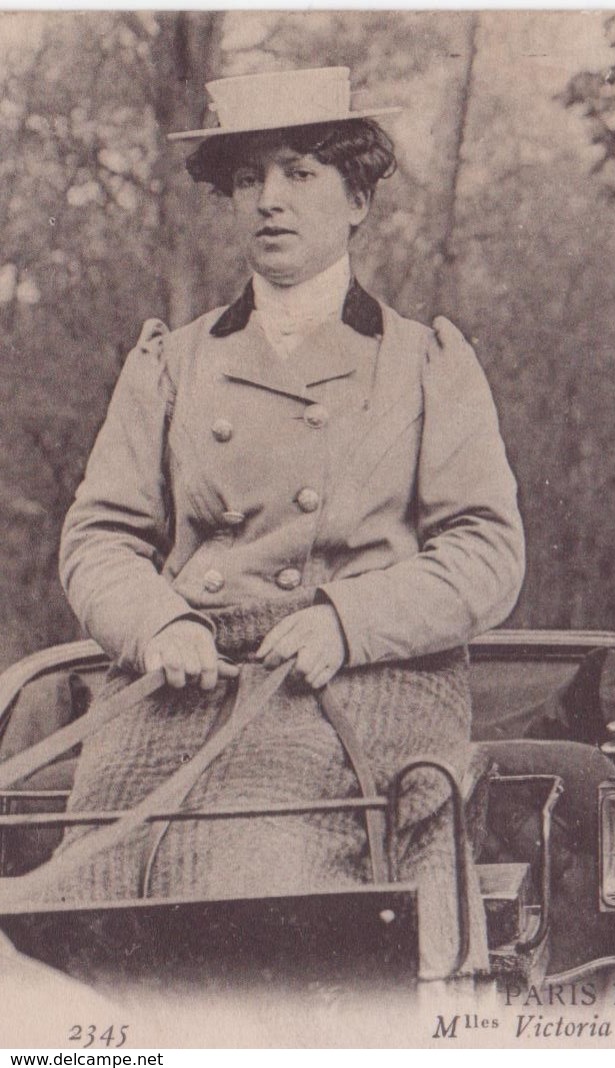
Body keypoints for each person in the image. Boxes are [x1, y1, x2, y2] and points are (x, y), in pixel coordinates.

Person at [44, 67, 524, 976]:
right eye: (249, 178)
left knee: (252, 876)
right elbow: (99, 539)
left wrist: (348, 620)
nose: (270, 200)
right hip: (180, 680)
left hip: (360, 681)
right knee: (79, 894)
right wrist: (159, 623)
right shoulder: (170, 362)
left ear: (357, 200)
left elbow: (486, 552)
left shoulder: (425, 363)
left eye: (300, 172)